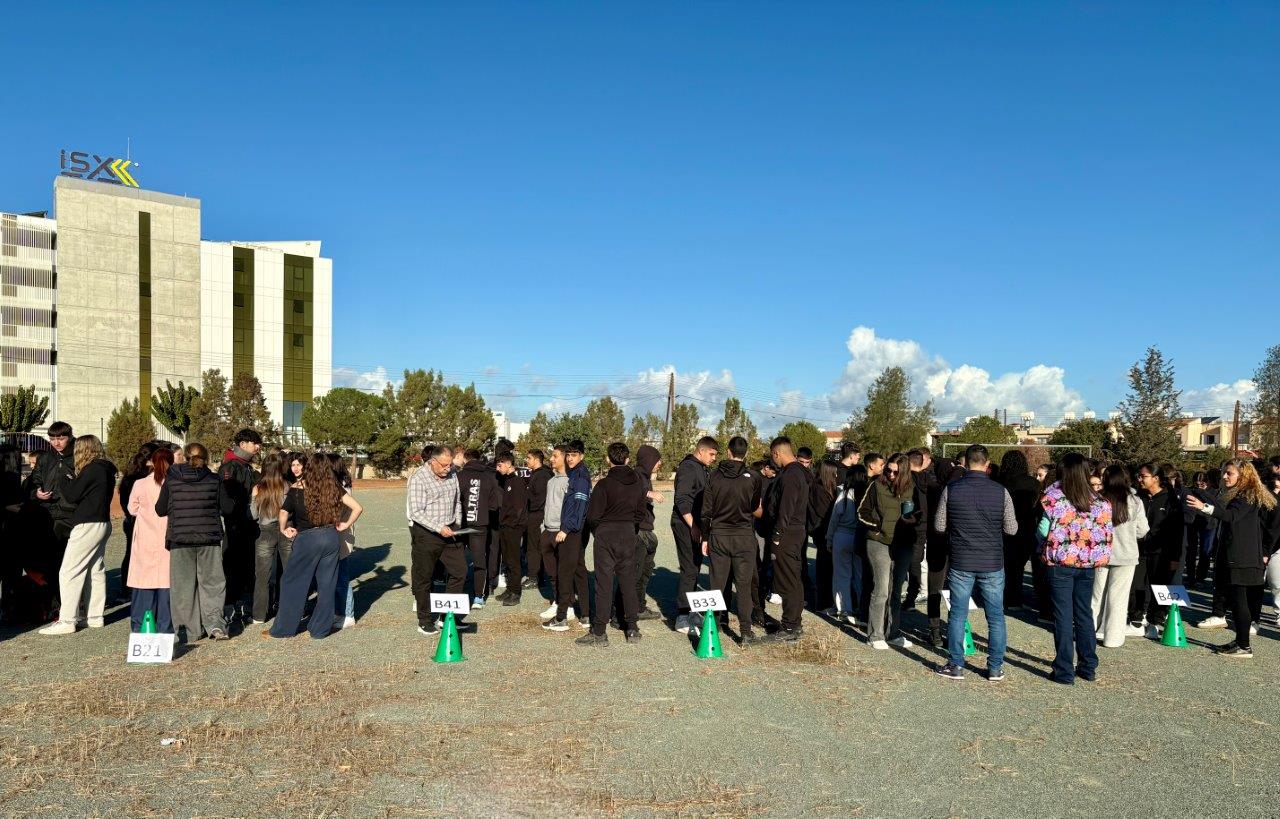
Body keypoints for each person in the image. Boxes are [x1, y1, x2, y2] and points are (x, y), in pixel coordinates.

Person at [930, 446, 1017, 680]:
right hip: (992, 561)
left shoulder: (951, 489)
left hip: (961, 560)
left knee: (958, 615)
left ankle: (956, 664)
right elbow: (1012, 528)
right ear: (987, 464)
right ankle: (995, 667)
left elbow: (939, 525)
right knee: (996, 617)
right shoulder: (1001, 491)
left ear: (965, 463)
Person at [1187, 459, 1280, 658]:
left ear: (1243, 475)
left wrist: (1205, 507)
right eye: (1224, 472)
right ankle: (1240, 642)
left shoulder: (1246, 495)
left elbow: (1231, 516)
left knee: (1240, 601)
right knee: (1238, 601)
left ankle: (1244, 646)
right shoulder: (1242, 494)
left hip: (1242, 557)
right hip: (1240, 555)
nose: (1224, 476)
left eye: (1229, 473)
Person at [268, 454, 362, 639]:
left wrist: (283, 529)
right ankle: (320, 629)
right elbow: (358, 508)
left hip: (307, 539)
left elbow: (284, 512)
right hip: (330, 537)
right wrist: (345, 524)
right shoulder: (333, 487)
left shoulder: (297, 488)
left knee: (292, 582)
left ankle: (284, 628)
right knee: (327, 585)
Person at [1039, 453, 1113, 684]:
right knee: (1084, 613)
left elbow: (1042, 529)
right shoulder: (1100, 502)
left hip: (1061, 563)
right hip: (1088, 563)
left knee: (1062, 616)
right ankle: (1088, 666)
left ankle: (1064, 670)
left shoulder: (1053, 498)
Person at [38, 435, 117, 635]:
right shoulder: (105, 469)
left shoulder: (92, 469)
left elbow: (72, 495)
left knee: (69, 571)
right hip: (102, 522)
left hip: (87, 524)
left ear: (83, 449)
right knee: (95, 570)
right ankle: (95, 617)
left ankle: (67, 620)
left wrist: (64, 478)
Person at [155, 443, 232, 641]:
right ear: (206, 457)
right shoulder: (214, 479)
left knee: (182, 586)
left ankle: (188, 630)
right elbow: (227, 508)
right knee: (212, 583)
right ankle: (215, 625)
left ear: (185, 457)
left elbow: (160, 509)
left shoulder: (172, 479)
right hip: (209, 537)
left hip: (180, 538)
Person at [578, 442, 646, 646]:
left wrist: (599, 530)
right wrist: (630, 526)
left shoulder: (604, 485)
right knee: (628, 581)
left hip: (606, 535)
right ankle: (632, 628)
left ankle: (599, 631)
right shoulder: (638, 484)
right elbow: (641, 514)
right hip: (628, 533)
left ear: (608, 459)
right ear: (628, 459)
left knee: (603, 583)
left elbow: (592, 516)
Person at [701, 436, 764, 644]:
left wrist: (705, 537)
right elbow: (754, 507)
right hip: (744, 535)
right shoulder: (754, 477)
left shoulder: (713, 476)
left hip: (719, 534)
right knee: (744, 585)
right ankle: (745, 631)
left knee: (717, 584)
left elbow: (706, 511)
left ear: (728, 451)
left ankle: (714, 626)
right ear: (746, 453)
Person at [858, 453, 923, 650]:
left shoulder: (913, 488)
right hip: (879, 542)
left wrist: (914, 520)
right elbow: (861, 512)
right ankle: (875, 634)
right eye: (888, 470)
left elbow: (920, 512)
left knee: (895, 591)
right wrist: (877, 526)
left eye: (896, 472)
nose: (891, 475)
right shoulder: (875, 485)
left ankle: (893, 632)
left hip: (903, 543)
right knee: (881, 590)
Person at [407, 445, 463, 635]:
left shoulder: (453, 474)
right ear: (432, 461)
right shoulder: (419, 478)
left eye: (450, 465)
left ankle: (447, 616)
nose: (448, 469)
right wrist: (439, 528)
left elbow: (457, 501)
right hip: (427, 534)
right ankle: (424, 620)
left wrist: (457, 523)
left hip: (451, 531)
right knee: (424, 577)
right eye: (444, 465)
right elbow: (416, 512)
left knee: (460, 571)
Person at [1091, 464, 1148, 648]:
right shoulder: (1136, 501)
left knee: (1096, 596)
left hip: (1101, 554)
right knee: (1119, 599)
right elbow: (1142, 530)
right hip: (1126, 554)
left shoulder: (1098, 500)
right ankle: (1113, 639)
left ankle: (1087, 634)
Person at [26, 421, 76, 617]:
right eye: (53, 438)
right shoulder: (45, 458)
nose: (56, 442)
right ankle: (55, 605)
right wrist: (36, 493)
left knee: (69, 563)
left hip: (70, 516)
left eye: (61, 438)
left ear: (69, 437)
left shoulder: (77, 456)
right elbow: (34, 482)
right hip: (48, 515)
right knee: (50, 562)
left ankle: (73, 604)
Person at [1129, 463, 1184, 639]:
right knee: (1136, 585)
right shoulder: (1138, 498)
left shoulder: (1170, 500)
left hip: (1162, 551)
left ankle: (1156, 621)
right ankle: (1136, 619)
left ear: (1156, 478)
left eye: (1144, 476)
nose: (1140, 479)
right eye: (1139, 476)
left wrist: (1175, 557)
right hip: (1140, 550)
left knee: (1160, 587)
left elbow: (1178, 531)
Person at [671, 436, 718, 634]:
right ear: (701, 451)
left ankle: (691, 611)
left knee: (695, 566)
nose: (714, 458)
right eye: (712, 454)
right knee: (689, 567)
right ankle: (682, 617)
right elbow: (681, 499)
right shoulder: (689, 468)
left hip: (696, 524)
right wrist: (693, 526)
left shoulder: (702, 468)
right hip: (685, 524)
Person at [543, 440, 591, 632]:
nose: (570, 458)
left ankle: (561, 618)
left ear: (582, 456)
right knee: (579, 572)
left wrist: (566, 529)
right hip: (573, 530)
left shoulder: (580, 476)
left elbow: (579, 507)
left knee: (564, 573)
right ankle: (586, 615)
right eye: (568, 455)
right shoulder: (574, 473)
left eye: (574, 455)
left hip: (572, 532)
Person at [766, 437, 810, 642]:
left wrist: (777, 535)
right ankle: (794, 623)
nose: (772, 460)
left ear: (777, 453)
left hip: (787, 533)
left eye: (772, 456)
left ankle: (790, 626)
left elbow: (786, 507)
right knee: (793, 577)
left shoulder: (791, 475)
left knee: (788, 579)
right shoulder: (799, 472)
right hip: (795, 530)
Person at [218, 428, 262, 625]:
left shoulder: (247, 467)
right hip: (235, 526)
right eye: (255, 443)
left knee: (247, 565)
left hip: (248, 525)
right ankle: (229, 606)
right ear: (243, 444)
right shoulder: (230, 467)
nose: (258, 447)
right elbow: (226, 499)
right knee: (232, 566)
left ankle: (243, 605)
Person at [249, 453, 292, 625]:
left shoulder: (259, 488)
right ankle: (288, 609)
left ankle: (259, 615)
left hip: (265, 532)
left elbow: (253, 515)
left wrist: (253, 498)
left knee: (262, 575)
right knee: (289, 572)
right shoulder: (288, 486)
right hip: (286, 528)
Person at [998, 451, 1042, 615]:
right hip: (1028, 528)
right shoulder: (1034, 483)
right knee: (1019, 565)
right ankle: (1015, 598)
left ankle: (1005, 596)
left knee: (1007, 565)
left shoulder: (1001, 483)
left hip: (1004, 528)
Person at [117, 441, 162, 603]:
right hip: (145, 521)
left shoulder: (130, 475)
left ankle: (127, 589)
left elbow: (125, 502)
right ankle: (147, 587)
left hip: (131, 520)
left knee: (131, 554)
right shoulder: (147, 477)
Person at [456, 449, 501, 608]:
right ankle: (478, 597)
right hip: (480, 524)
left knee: (456, 560)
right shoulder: (489, 477)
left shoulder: (458, 476)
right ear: (480, 459)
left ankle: (456, 593)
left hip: (460, 525)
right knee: (479, 561)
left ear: (465, 459)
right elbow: (494, 505)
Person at [826, 463, 868, 626]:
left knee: (841, 574)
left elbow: (834, 519)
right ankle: (862, 606)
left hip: (842, 535)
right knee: (859, 574)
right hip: (860, 536)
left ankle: (844, 609)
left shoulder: (844, 493)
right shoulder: (867, 493)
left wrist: (829, 538)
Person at [537, 444, 574, 622]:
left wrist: (565, 529)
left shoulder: (571, 481)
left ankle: (569, 606)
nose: (551, 459)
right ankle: (557, 601)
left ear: (565, 458)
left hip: (562, 533)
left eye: (555, 456)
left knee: (564, 573)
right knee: (552, 572)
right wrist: (543, 528)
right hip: (547, 532)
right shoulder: (551, 481)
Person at [902, 449, 936, 612]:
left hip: (909, 523)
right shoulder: (931, 480)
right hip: (926, 525)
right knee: (918, 561)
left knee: (908, 561)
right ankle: (914, 595)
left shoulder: (907, 481)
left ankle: (909, 597)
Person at [327, 453, 358, 629]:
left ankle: (347, 613)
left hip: (340, 534)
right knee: (338, 576)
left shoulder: (340, 487)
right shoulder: (343, 483)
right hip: (343, 534)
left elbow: (354, 509)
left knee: (341, 577)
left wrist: (345, 523)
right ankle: (340, 612)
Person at [632, 445, 664, 620]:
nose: (659, 463)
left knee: (644, 573)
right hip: (638, 533)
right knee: (635, 574)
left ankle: (639, 607)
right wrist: (649, 493)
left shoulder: (645, 476)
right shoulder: (636, 476)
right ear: (649, 460)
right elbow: (631, 494)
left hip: (646, 530)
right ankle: (625, 611)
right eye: (657, 460)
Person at [495, 453, 529, 606]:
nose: (498, 468)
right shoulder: (507, 480)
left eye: (500, 465)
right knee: (507, 560)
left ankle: (516, 592)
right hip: (505, 526)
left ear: (509, 464)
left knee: (514, 560)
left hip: (513, 527)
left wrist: (513, 524)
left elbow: (519, 507)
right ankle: (509, 589)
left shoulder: (518, 481)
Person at [806, 460, 838, 612]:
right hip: (823, 531)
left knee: (826, 567)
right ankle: (823, 602)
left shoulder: (822, 488)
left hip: (823, 531)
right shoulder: (819, 489)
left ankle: (824, 601)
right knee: (824, 568)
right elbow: (825, 512)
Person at [522, 449, 553, 592]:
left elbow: (540, 499)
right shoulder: (537, 474)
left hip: (537, 516)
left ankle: (534, 577)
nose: (526, 460)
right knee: (535, 547)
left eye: (528, 458)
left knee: (533, 548)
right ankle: (538, 576)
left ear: (536, 459)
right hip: (535, 515)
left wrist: (529, 509)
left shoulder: (541, 476)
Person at [1184, 470, 1219, 590]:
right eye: (1196, 484)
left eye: (1202, 484)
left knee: (1205, 552)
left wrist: (1203, 492)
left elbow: (1215, 505)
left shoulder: (1214, 492)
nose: (1199, 486)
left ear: (1207, 482)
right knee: (1191, 551)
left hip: (1208, 525)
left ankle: (1200, 577)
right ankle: (1190, 576)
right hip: (1193, 524)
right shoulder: (1190, 491)